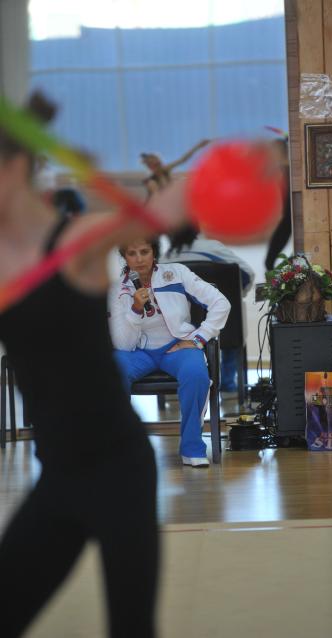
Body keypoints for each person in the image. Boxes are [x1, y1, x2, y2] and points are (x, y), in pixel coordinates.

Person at [0, 92, 187, 637]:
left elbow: (168, 211)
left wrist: (234, 171)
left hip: (120, 470)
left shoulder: (75, 241)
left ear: (14, 167)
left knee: (131, 628)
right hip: (58, 477)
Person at [109, 238, 231, 466]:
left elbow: (220, 303)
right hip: (139, 351)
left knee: (196, 375)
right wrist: (136, 309)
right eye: (132, 253)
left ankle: (192, 448)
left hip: (177, 346)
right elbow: (123, 344)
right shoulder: (118, 289)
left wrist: (198, 337)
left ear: (154, 252)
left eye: (144, 251)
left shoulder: (177, 273)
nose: (139, 259)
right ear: (124, 257)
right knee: (112, 374)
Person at [162, 223, 255, 392]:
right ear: (198, 230)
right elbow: (248, 273)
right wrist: (238, 294)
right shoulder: (213, 247)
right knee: (232, 326)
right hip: (225, 328)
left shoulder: (165, 258)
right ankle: (227, 383)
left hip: (179, 330)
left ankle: (175, 387)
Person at [140, 139, 209, 199]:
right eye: (156, 165)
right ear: (151, 167)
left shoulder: (165, 170)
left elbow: (183, 160)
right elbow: (158, 198)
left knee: (183, 180)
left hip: (168, 202)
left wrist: (198, 146)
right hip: (160, 206)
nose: (160, 165)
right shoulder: (152, 182)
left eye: (159, 163)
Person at [265, 137, 292, 272]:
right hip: (284, 219)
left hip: (290, 219)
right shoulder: (278, 169)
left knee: (269, 261)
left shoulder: (290, 170)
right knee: (269, 261)